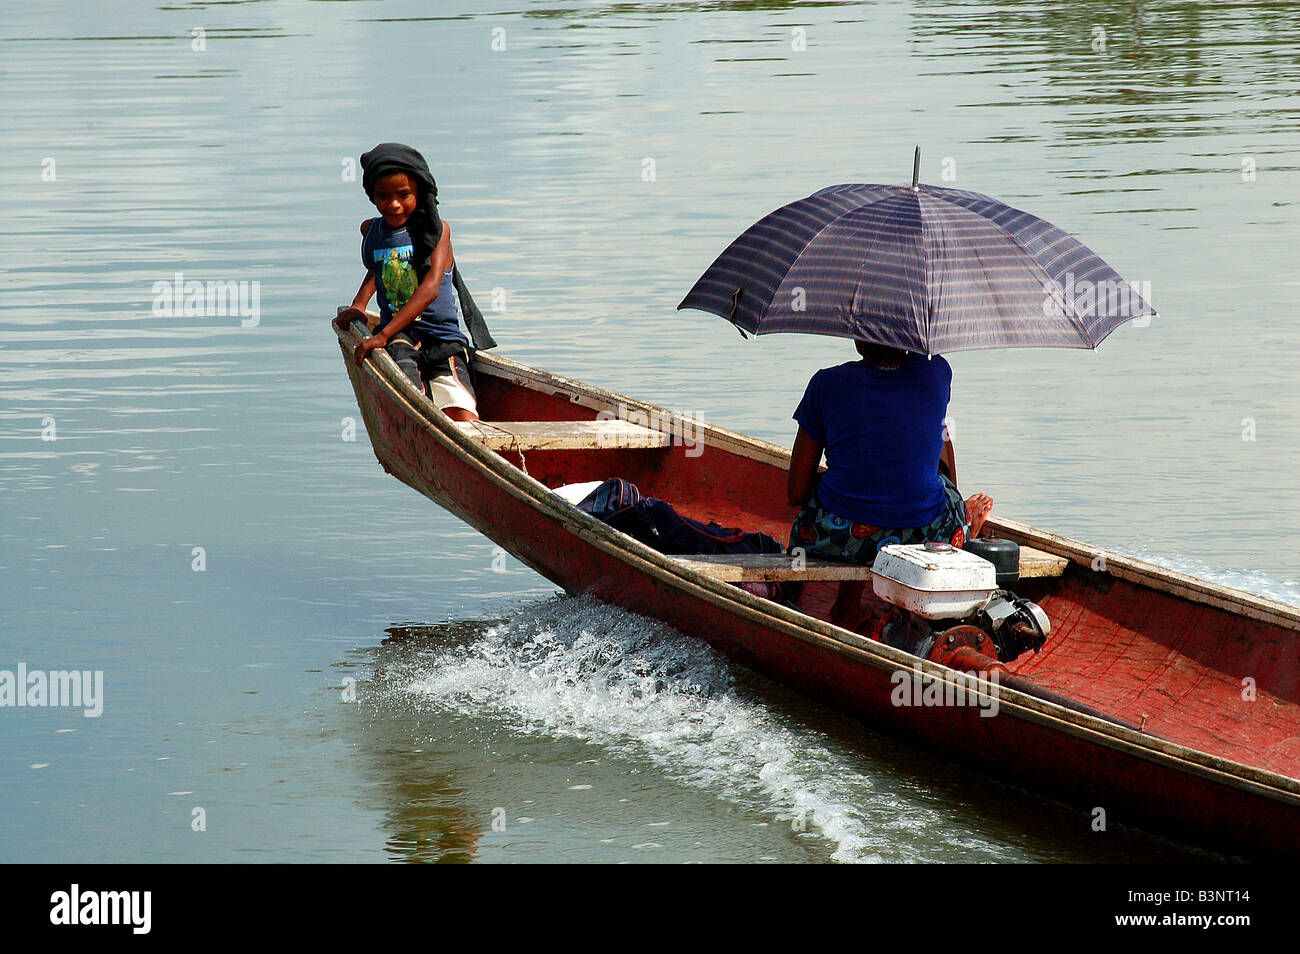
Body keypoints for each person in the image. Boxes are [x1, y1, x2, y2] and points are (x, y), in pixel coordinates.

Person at [786, 340, 993, 627]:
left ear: (858, 336)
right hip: (928, 534)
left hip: (841, 539)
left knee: (843, 497)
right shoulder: (936, 372)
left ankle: (846, 606)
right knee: (939, 430)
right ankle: (961, 524)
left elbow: (795, 492)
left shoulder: (827, 383)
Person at [335, 143, 486, 422]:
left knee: (462, 412)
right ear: (372, 197)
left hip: (442, 338)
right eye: (383, 196)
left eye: (403, 195)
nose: (393, 204)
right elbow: (379, 269)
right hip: (401, 337)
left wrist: (380, 335)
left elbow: (429, 288)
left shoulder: (437, 232)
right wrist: (359, 304)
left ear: (419, 190)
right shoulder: (371, 231)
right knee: (410, 400)